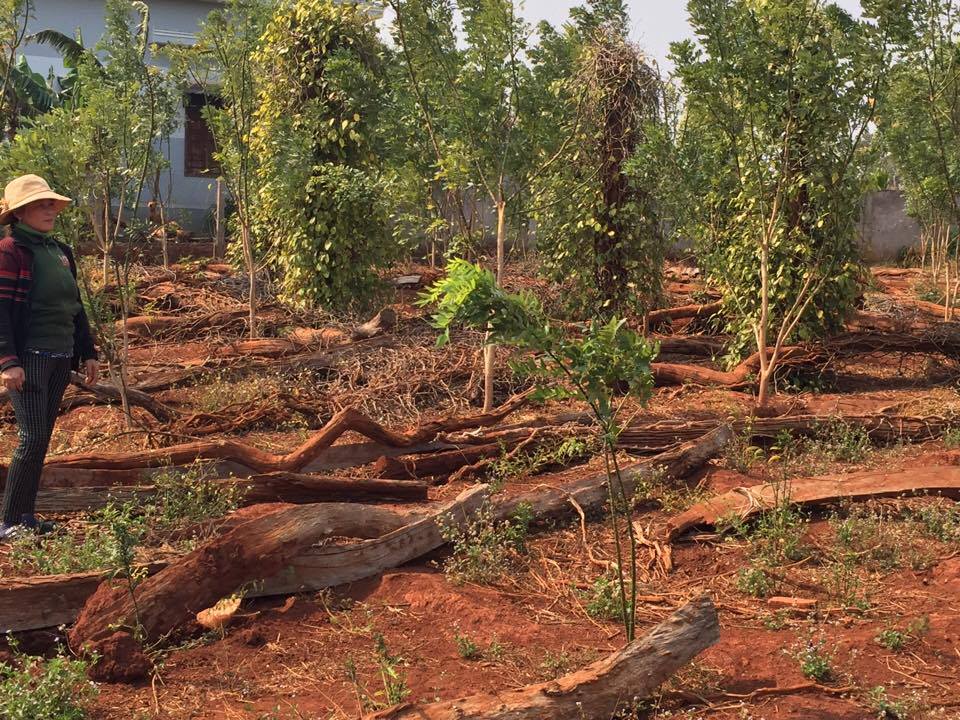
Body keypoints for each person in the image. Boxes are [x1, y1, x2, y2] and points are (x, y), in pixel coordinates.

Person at [0, 174, 99, 540]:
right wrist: (8, 361)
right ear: (20, 212)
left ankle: (25, 517)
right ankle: (9, 521)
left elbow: (75, 307)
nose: (50, 210)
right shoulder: (11, 251)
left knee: (41, 439)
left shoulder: (59, 252)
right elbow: (1, 311)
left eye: (51, 204)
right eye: (41, 204)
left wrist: (87, 351)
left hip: (60, 355)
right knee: (32, 436)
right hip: (30, 356)